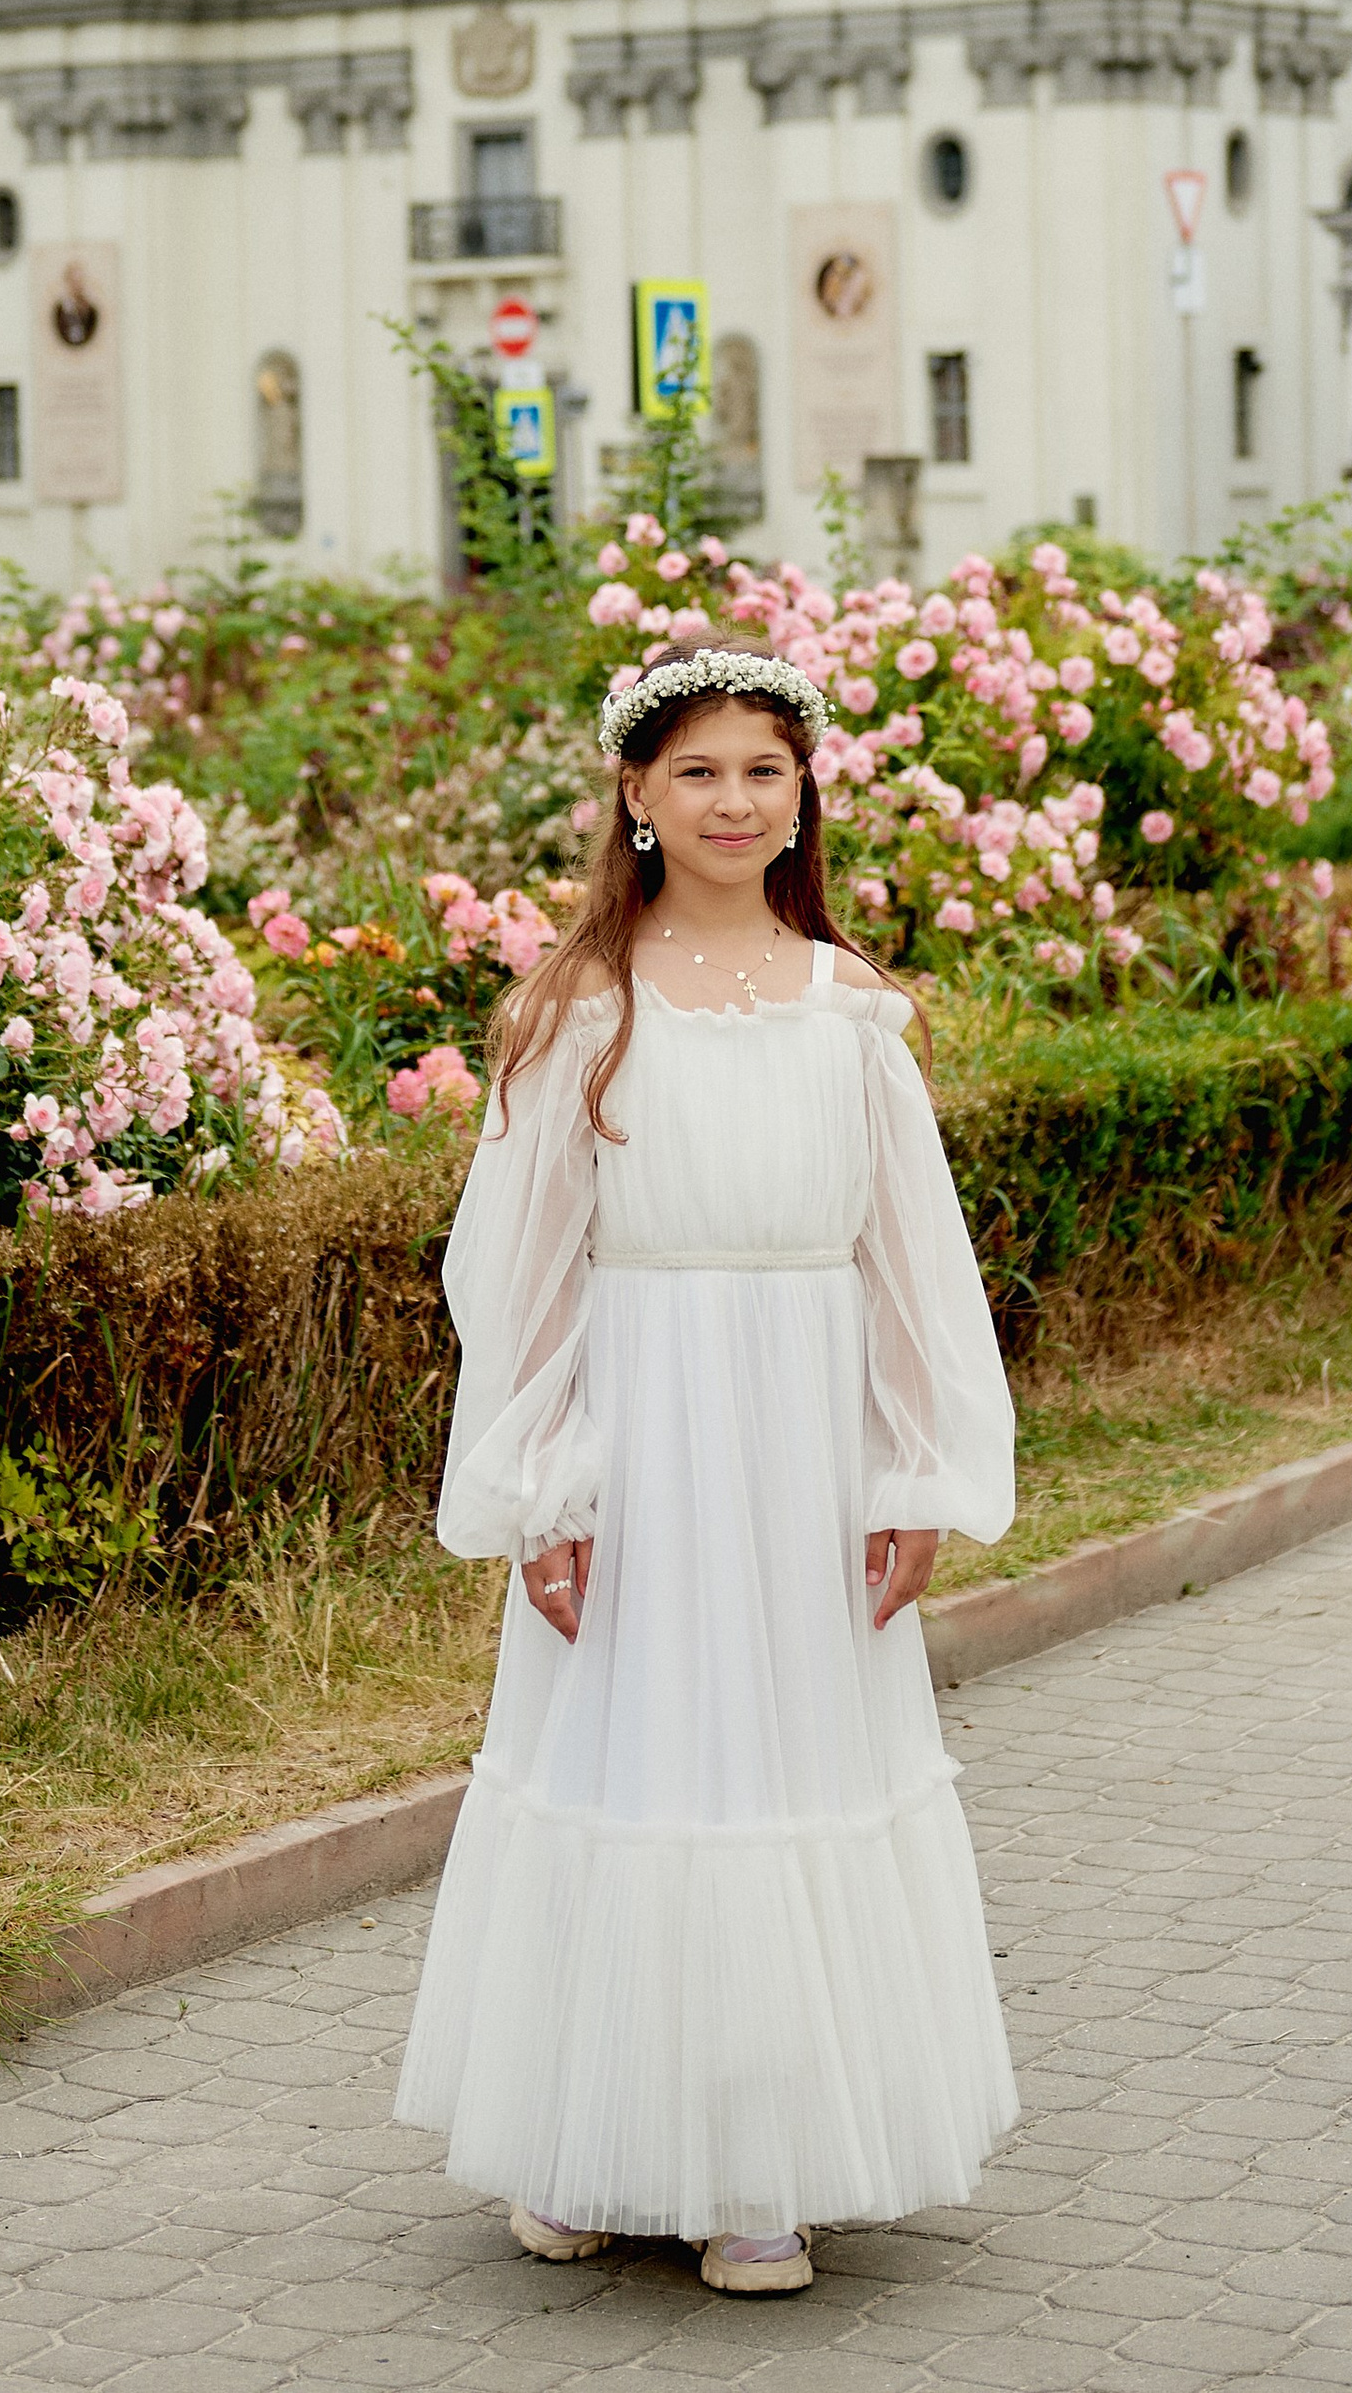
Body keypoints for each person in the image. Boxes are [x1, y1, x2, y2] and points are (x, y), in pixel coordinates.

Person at [393, 642, 1019, 2292]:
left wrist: (913, 1471)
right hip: (644, 1432)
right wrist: (541, 1480)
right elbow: (516, 1278)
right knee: (625, 1758)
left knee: (782, 1768)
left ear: (803, 790)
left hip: (802, 1439)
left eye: (763, 767)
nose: (733, 799)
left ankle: (761, 2166)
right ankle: (585, 2138)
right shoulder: (576, 1013)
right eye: (698, 771)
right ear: (635, 796)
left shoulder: (854, 1008)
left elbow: (912, 1264)